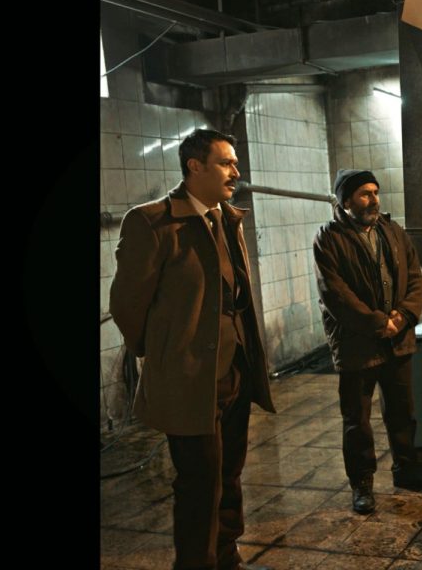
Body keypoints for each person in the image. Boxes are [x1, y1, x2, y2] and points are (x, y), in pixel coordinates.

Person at [110, 128, 275, 570]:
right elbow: (126, 304)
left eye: (235, 163)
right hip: (187, 377)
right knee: (200, 483)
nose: (236, 172)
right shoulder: (153, 222)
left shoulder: (227, 217)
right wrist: (163, 353)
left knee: (229, 475)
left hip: (234, 369)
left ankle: (227, 556)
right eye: (226, 163)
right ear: (194, 166)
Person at [313, 169, 422, 515]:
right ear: (346, 201)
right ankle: (362, 484)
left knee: (403, 410)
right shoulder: (329, 238)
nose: (374, 200)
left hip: (396, 338)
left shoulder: (392, 230)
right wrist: (377, 323)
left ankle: (408, 469)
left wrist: (402, 317)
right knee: (356, 419)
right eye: (365, 194)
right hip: (356, 342)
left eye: (375, 192)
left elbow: (414, 277)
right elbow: (335, 294)